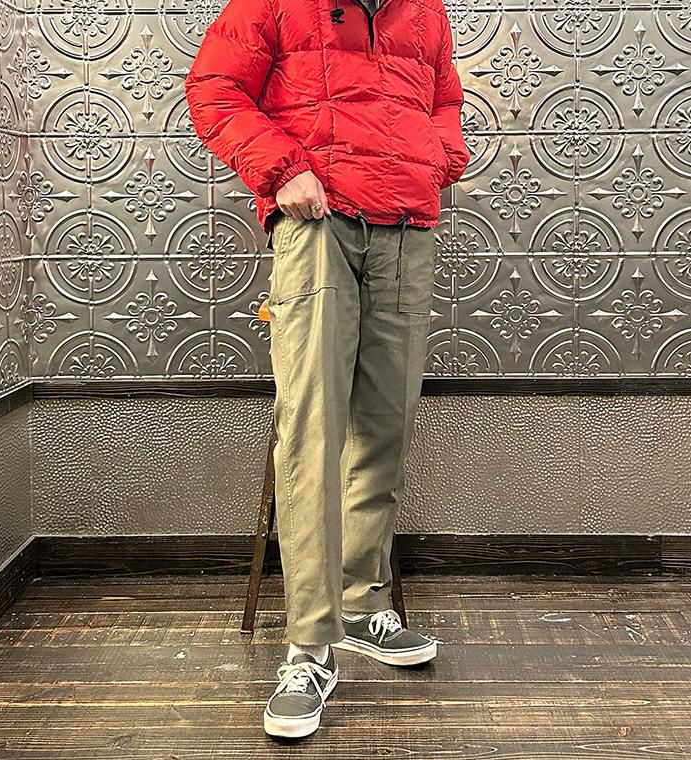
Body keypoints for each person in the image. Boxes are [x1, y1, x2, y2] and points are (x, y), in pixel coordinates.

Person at [184, 0, 470, 740]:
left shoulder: (425, 10)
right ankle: (310, 644)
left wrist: (439, 158)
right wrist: (281, 169)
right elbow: (213, 88)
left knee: (385, 425)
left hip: (408, 227)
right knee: (313, 429)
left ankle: (364, 601)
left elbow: (444, 99)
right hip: (320, 227)